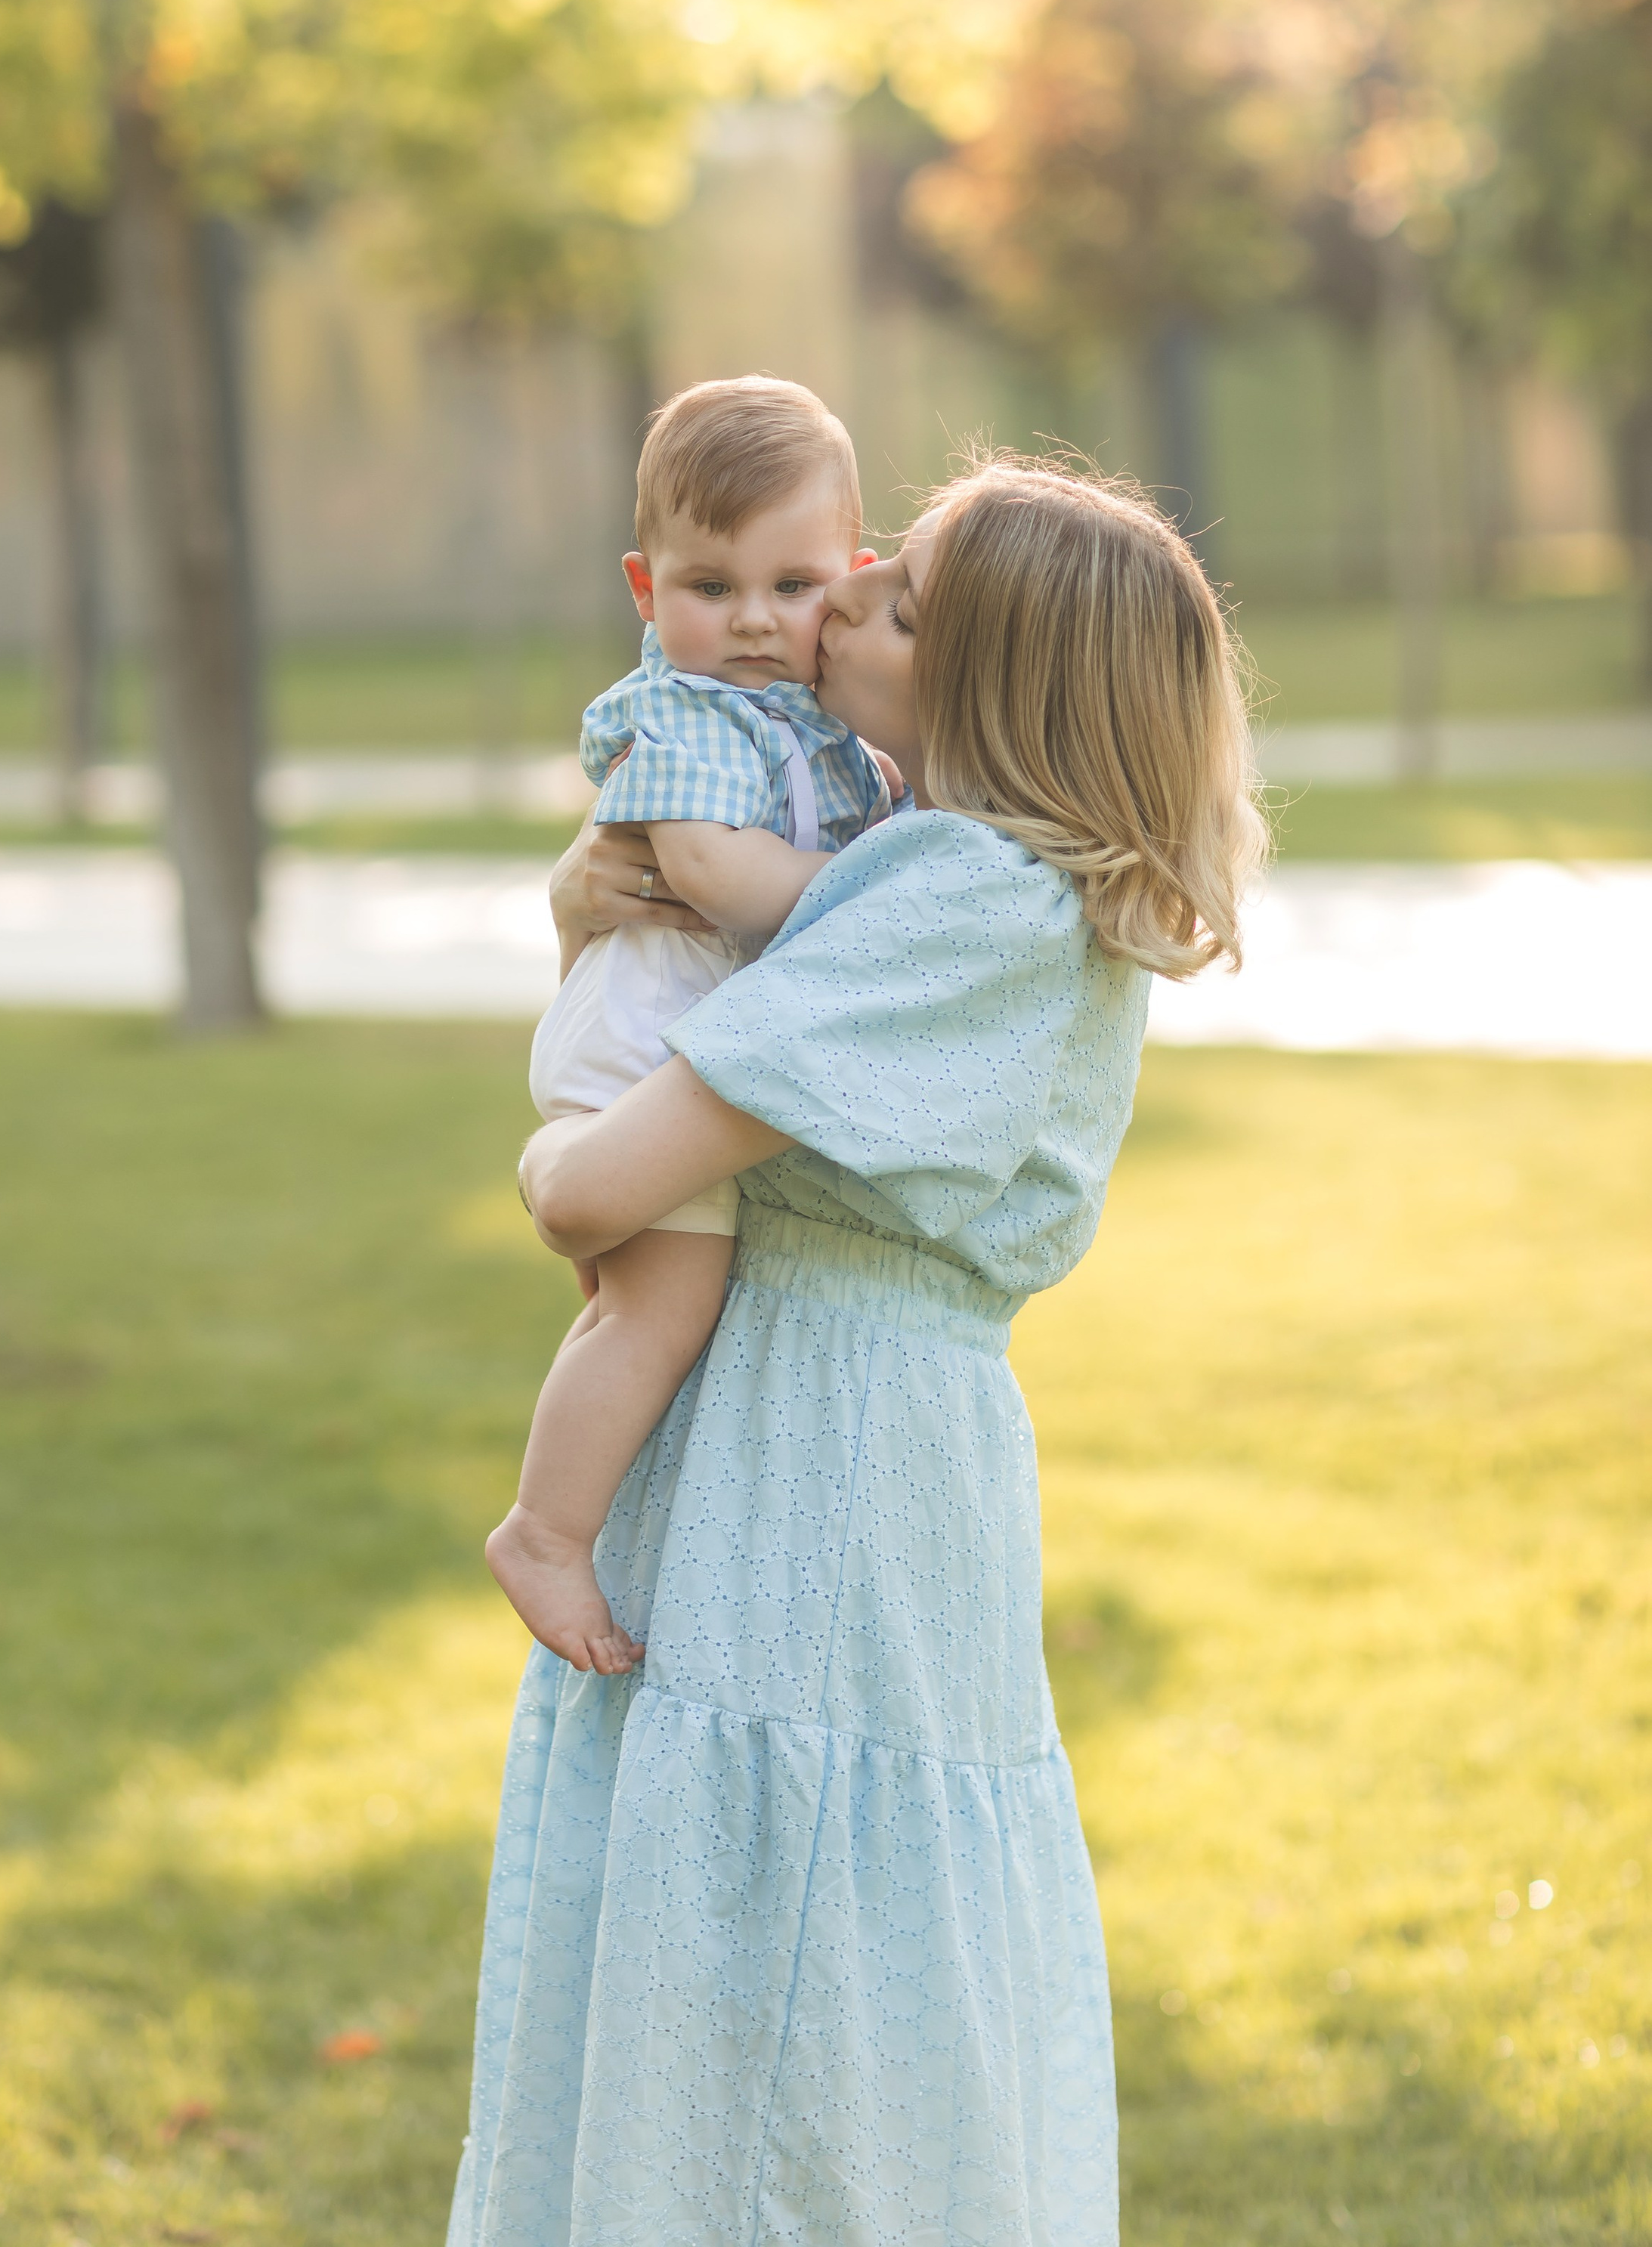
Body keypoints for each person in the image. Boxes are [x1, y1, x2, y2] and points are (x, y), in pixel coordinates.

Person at [448, 452, 1266, 2247]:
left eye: (893, 603)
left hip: (811, 1460)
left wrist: (551, 1151)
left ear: (982, 684)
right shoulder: (948, 865)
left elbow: (603, 1192)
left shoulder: (961, 895)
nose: (839, 597)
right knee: (798, 1923)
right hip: (837, 1430)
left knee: (777, 1950)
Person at [487, 375, 892, 1676]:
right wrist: (875, 900)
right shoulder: (689, 711)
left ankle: (581, 1504)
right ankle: (545, 1530)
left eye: (794, 584)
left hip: (671, 1032)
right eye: (711, 586)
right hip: (649, 1037)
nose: (758, 621)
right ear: (646, 589)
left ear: (856, 570)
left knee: (634, 1306)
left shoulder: (811, 719)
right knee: (656, 1313)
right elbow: (713, 875)